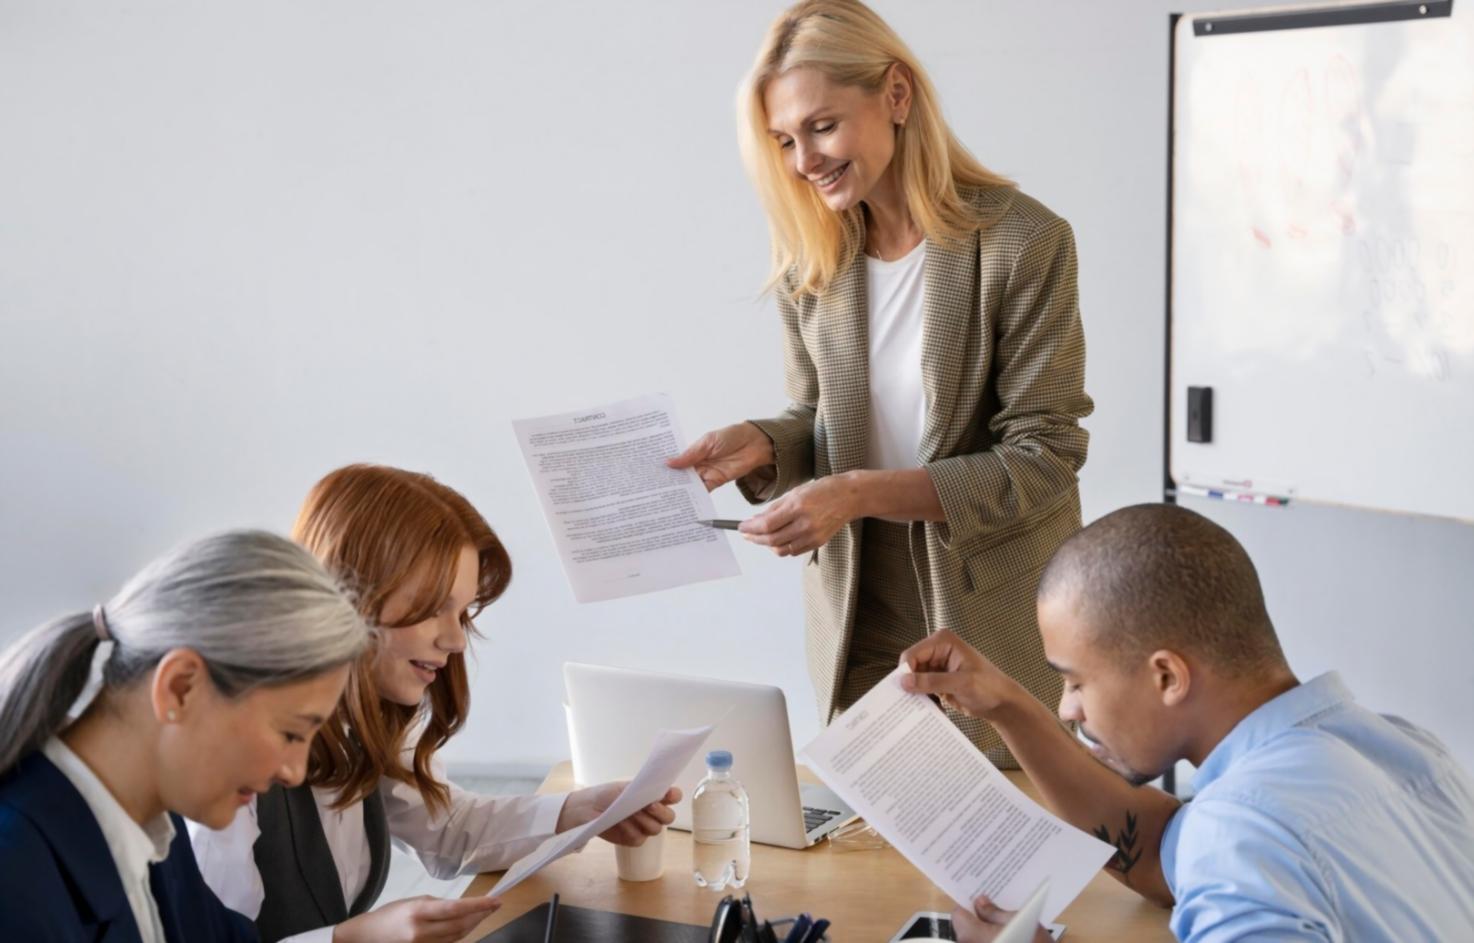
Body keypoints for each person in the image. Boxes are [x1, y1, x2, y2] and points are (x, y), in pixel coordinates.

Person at [669, 0, 1092, 765]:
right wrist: (765, 445)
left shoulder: (1024, 243)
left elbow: (1044, 455)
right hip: (859, 606)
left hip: (989, 613)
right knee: (867, 861)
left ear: (896, 95)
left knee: (1003, 858)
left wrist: (857, 492)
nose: (804, 161)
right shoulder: (815, 261)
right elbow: (816, 417)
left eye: (822, 126)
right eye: (785, 140)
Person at [899, 504, 1474, 942]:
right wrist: (1008, 706)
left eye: (1076, 682)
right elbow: (1156, 853)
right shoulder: (1402, 748)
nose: (1068, 708)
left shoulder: (1237, 835)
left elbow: (1223, 844)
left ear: (1168, 678)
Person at [192, 464, 680, 943]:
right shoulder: (235, 756)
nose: (455, 639)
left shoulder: (368, 714)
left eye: (463, 611)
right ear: (348, 595)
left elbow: (446, 828)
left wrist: (578, 810)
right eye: (432, 608)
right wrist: (352, 939)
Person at [0, 530, 370, 942]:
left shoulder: (153, 824)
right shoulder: (16, 878)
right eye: (290, 733)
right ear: (180, 687)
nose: (294, 772)